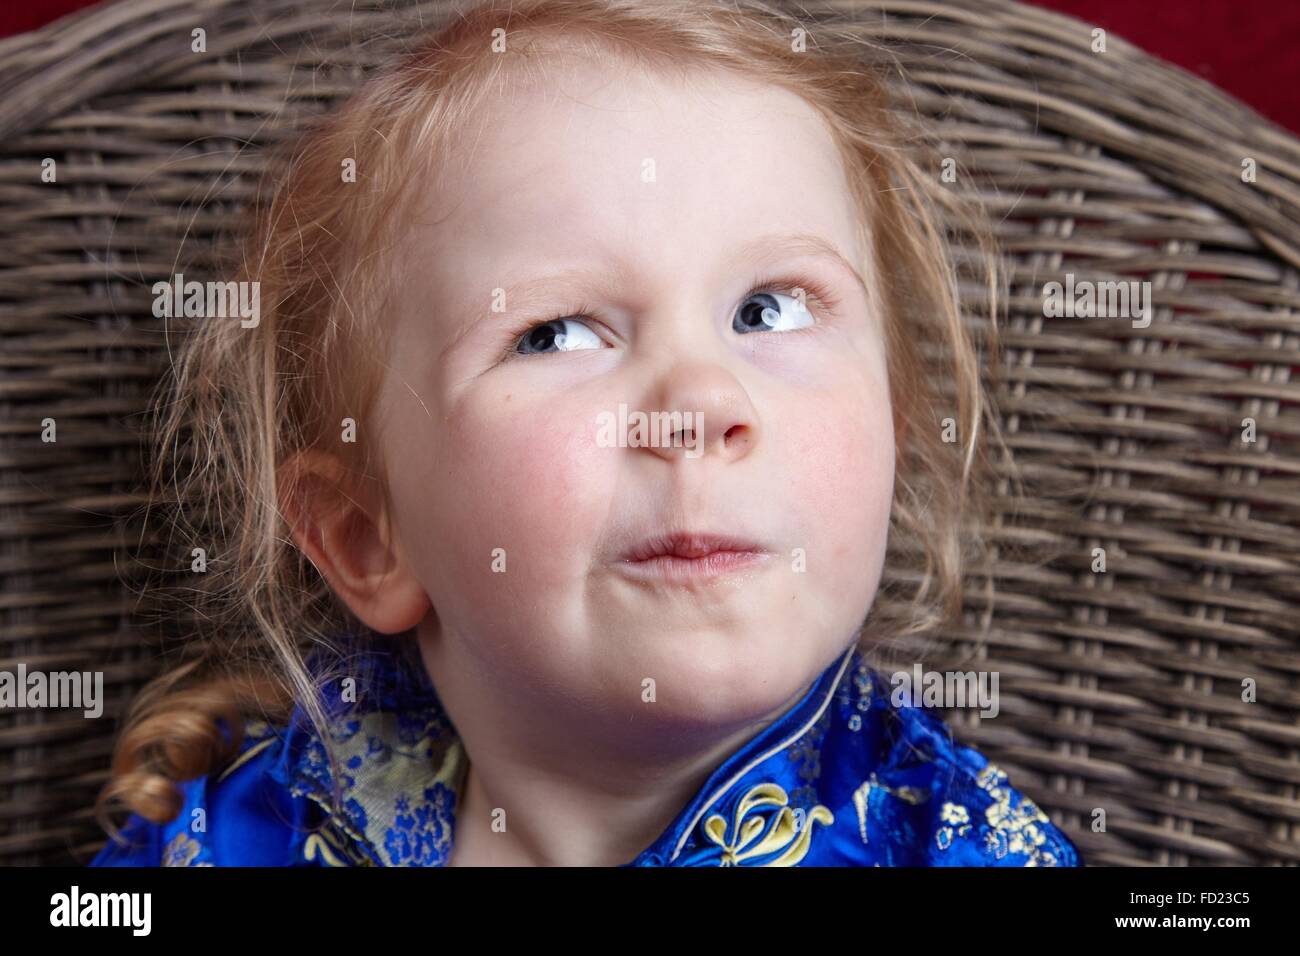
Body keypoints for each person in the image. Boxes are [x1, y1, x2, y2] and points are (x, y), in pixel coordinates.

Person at [90, 0, 1082, 868]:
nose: (697, 404)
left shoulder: (963, 848)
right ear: (366, 533)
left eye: (770, 310)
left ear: (895, 432)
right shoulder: (236, 836)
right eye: (556, 333)